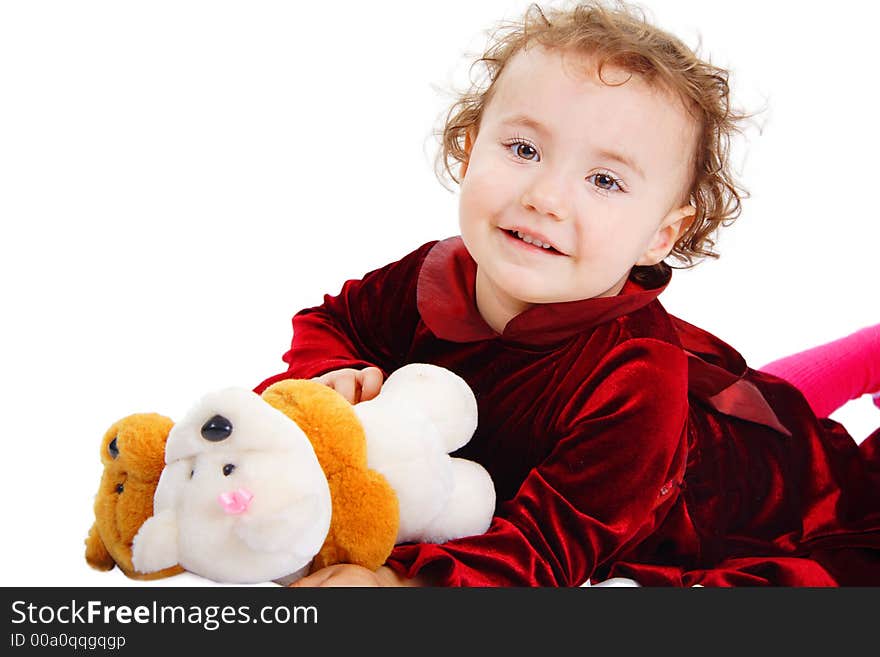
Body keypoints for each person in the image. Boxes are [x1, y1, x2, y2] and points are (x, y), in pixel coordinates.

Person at [254, 1, 880, 586]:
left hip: (757, 496)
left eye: (604, 180)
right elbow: (333, 322)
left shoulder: (635, 378)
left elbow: (548, 548)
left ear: (660, 235)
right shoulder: (435, 272)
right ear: (470, 149)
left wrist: (405, 580)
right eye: (524, 148)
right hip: (712, 419)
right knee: (756, 405)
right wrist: (331, 372)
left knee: (830, 516)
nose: (546, 197)